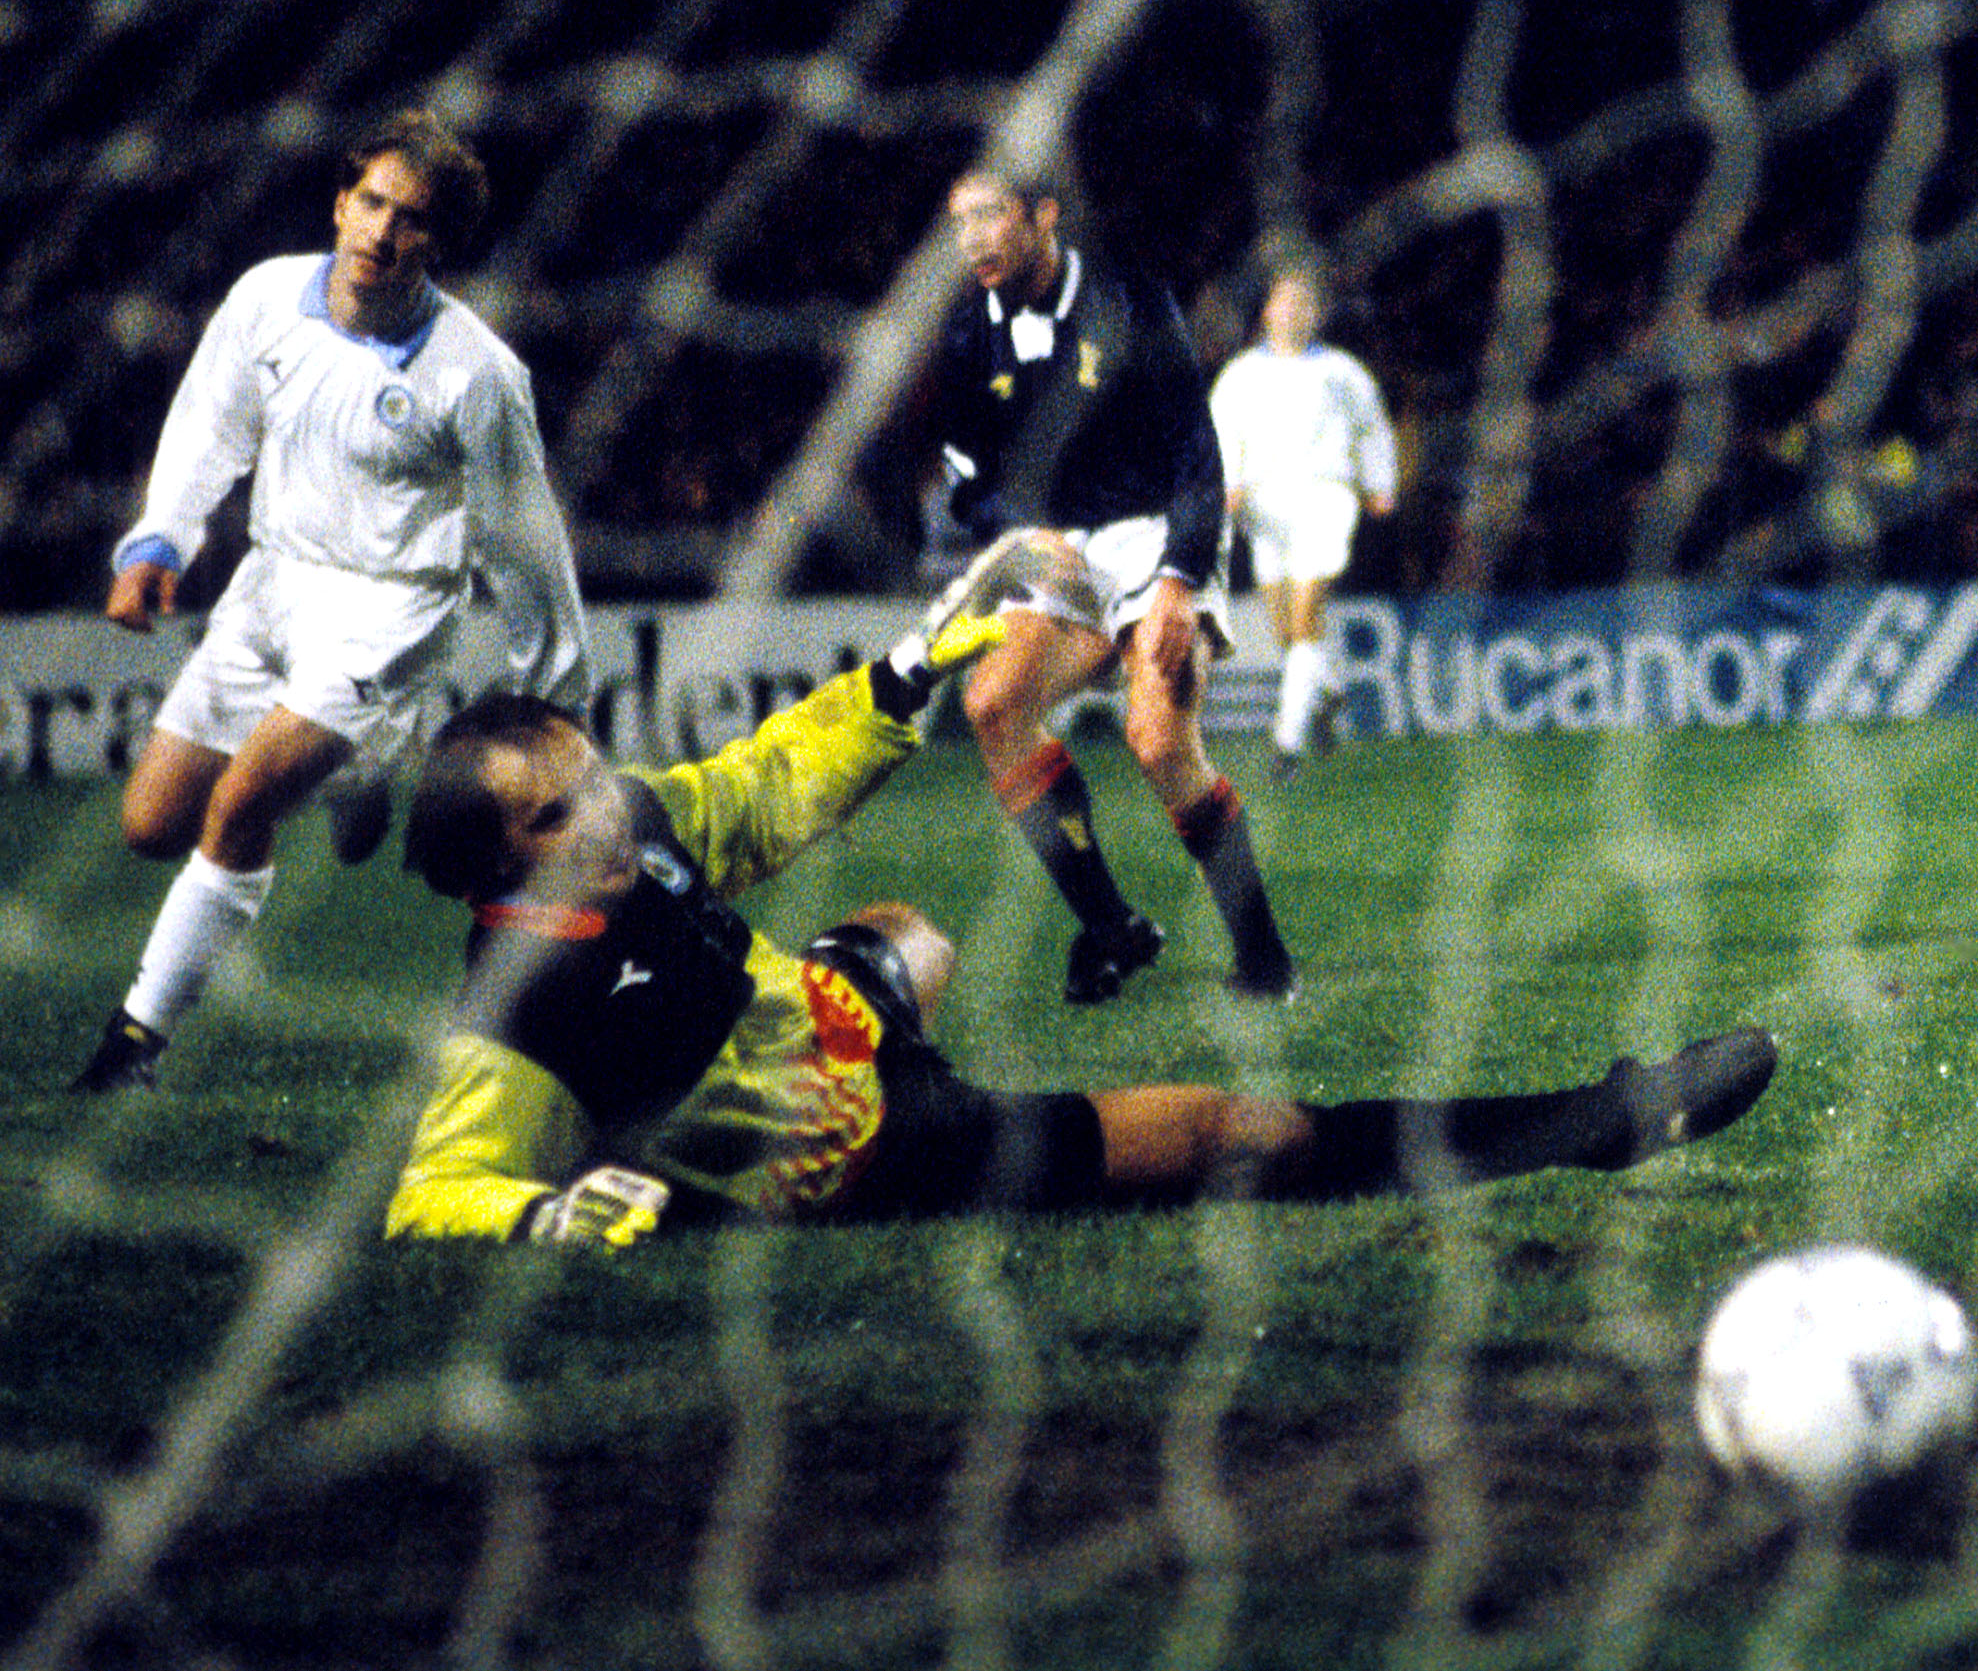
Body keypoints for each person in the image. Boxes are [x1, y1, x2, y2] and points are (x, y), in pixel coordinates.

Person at [382, 604, 1776, 1244]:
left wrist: (899, 676)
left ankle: (863, 1002)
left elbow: (758, 788)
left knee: (904, 929)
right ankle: (1602, 1121)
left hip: (837, 1029)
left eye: (589, 782)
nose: (604, 817)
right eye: (556, 818)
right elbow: (435, 1190)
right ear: (493, 881)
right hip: (873, 1143)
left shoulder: (641, 824)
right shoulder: (517, 1004)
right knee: (1244, 1131)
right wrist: (551, 1208)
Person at [68, 109, 591, 1093]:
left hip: (388, 608)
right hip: (271, 586)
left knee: (243, 799)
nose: (384, 232)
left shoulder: (476, 372)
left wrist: (553, 702)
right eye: (373, 203)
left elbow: (526, 541)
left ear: (440, 245)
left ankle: (134, 1044)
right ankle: (362, 768)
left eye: (414, 220)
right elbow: (207, 427)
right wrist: (157, 540)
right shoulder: (267, 297)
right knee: (149, 823)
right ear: (341, 203)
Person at [925, 167, 1295, 1005]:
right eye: (959, 224)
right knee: (993, 705)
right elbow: (965, 479)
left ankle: (1264, 957)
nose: (973, 240)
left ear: (1044, 215)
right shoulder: (962, 335)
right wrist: (1018, 527)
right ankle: (1111, 925)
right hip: (1059, 547)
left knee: (1159, 740)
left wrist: (1179, 580)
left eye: (990, 216)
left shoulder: (1131, 302)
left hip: (1158, 529)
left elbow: (1200, 456)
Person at [1207, 265, 1399, 781]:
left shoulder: (1342, 372)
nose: (1293, 311)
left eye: (1304, 303)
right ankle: (1328, 691)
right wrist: (1228, 483)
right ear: (1268, 311)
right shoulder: (1242, 374)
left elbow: (1373, 427)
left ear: (1316, 315)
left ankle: (1286, 746)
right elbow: (1223, 434)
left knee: (1305, 617)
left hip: (1325, 498)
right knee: (1287, 633)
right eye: (1284, 301)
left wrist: (1381, 483)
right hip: (1265, 509)